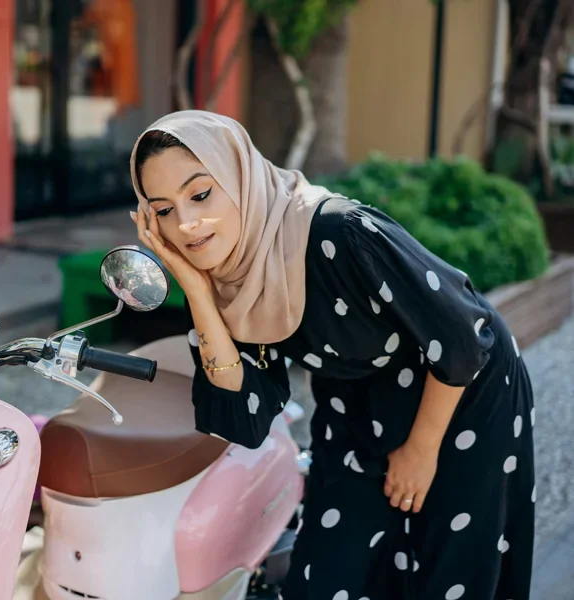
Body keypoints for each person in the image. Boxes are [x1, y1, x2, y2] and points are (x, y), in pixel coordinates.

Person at [128, 111, 535, 599]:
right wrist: (196, 291)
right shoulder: (226, 279)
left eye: (199, 195)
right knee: (323, 580)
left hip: (462, 393)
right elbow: (244, 417)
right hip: (355, 403)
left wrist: (421, 450)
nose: (186, 224)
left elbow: (464, 335)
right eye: (163, 210)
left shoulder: (338, 232)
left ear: (238, 177)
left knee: (447, 576)